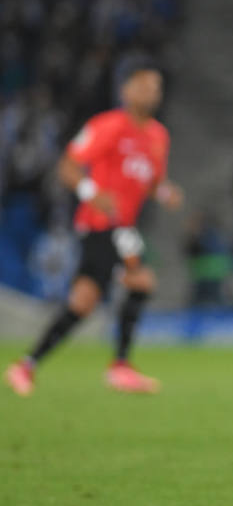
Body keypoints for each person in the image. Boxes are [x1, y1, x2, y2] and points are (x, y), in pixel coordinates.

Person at [5, 57, 183, 396]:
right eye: (144, 85)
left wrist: (165, 192)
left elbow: (151, 181)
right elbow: (68, 165)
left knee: (83, 303)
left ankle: (25, 366)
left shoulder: (159, 136)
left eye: (156, 86)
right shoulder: (108, 125)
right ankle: (120, 367)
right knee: (141, 281)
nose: (151, 92)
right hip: (100, 223)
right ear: (126, 89)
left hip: (121, 226)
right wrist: (92, 192)